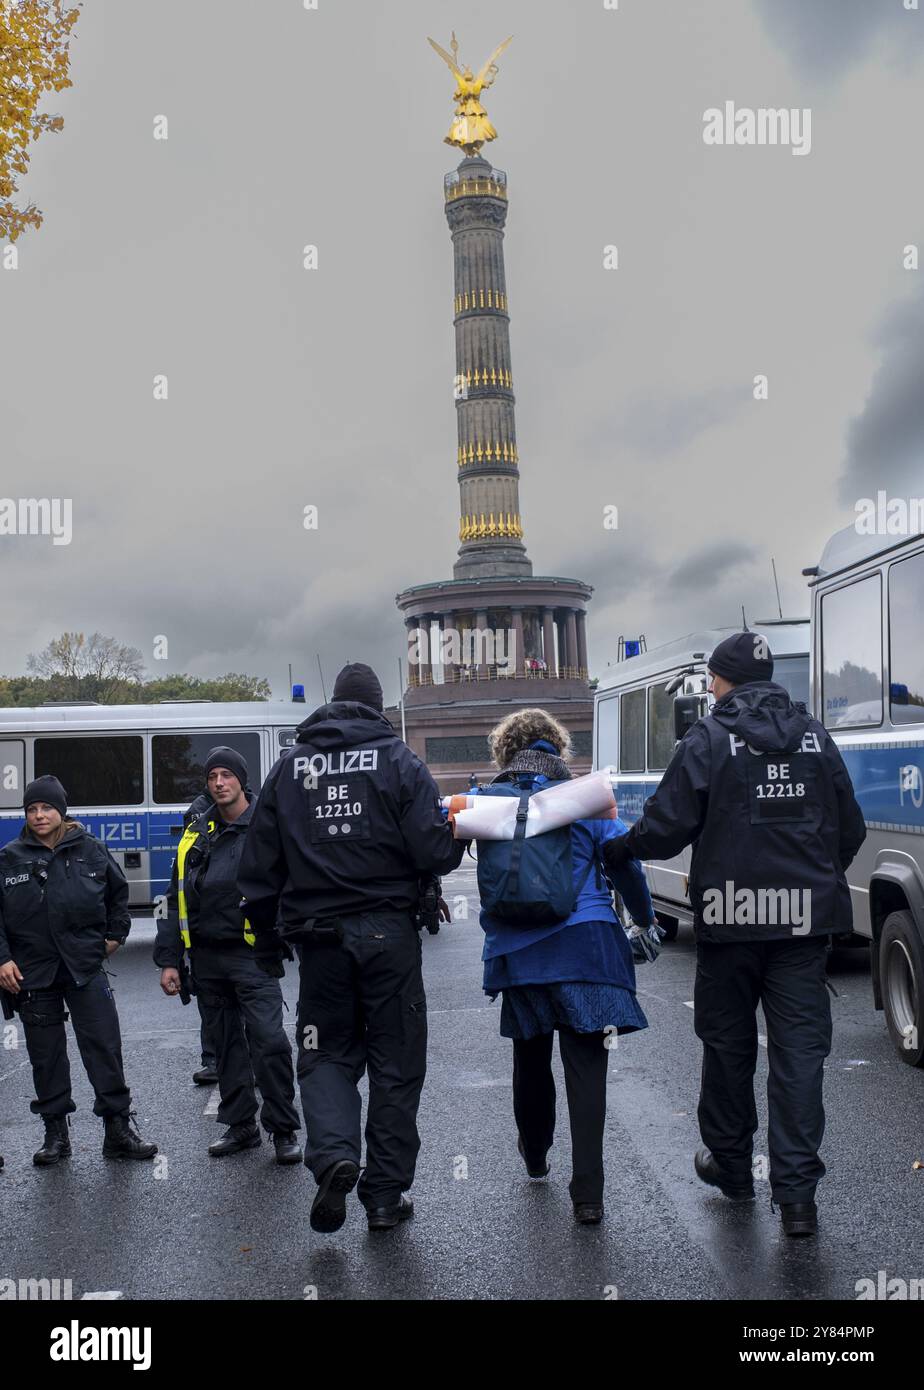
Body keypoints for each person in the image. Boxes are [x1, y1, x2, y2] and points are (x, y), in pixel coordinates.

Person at [603, 632, 867, 1237]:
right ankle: (797, 1197)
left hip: (730, 922)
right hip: (802, 926)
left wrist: (618, 847)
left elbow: (666, 828)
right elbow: (847, 826)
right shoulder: (814, 736)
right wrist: (814, 877)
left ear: (720, 682)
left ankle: (730, 1166)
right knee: (800, 1055)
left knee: (728, 1047)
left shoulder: (710, 738)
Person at [237, 662, 466, 1234]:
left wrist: (265, 943)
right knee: (396, 1063)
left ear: (332, 704)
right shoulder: (399, 761)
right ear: (376, 705)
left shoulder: (289, 770)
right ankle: (384, 1196)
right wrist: (457, 831)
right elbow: (433, 851)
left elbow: (257, 869)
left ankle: (336, 1152)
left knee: (324, 1054)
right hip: (389, 938)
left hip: (320, 946)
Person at [475, 709, 657, 1225]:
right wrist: (643, 919)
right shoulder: (586, 799)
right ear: (559, 747)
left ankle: (535, 1155)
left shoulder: (489, 801)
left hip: (520, 952)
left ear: (504, 751)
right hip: (587, 947)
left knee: (530, 1062)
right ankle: (589, 1193)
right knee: (587, 1070)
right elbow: (624, 860)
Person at [0, 776, 158, 1165]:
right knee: (46, 1055)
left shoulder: (91, 850)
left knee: (104, 1046)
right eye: (32, 809)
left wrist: (115, 937)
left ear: (61, 812)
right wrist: (3, 958)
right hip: (33, 973)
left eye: (46, 808)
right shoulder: (10, 857)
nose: (39, 815)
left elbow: (119, 896)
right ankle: (56, 1134)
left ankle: (118, 1130)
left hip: (84, 967)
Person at [156, 749, 302, 1164]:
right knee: (226, 1047)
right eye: (212, 776)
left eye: (226, 775)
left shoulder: (265, 826)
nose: (219, 783)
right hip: (207, 958)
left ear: (241, 780)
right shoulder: (195, 833)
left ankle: (284, 1130)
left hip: (252, 956)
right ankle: (241, 1127)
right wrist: (169, 960)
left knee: (269, 1042)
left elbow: (291, 883)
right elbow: (173, 898)